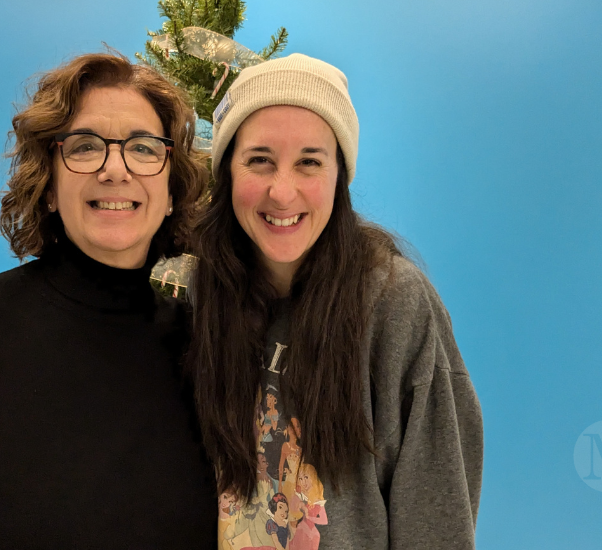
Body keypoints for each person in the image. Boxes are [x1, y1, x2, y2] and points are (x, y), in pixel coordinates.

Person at [0, 52, 217, 549]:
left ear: (172, 188)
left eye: (142, 147)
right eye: (86, 146)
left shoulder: (214, 341)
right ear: (48, 185)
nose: (116, 169)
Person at [186, 53, 483, 549]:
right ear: (228, 173)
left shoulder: (394, 303)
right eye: (259, 160)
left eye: (309, 162)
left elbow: (437, 517)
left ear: (340, 175)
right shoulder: (203, 296)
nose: (283, 192)